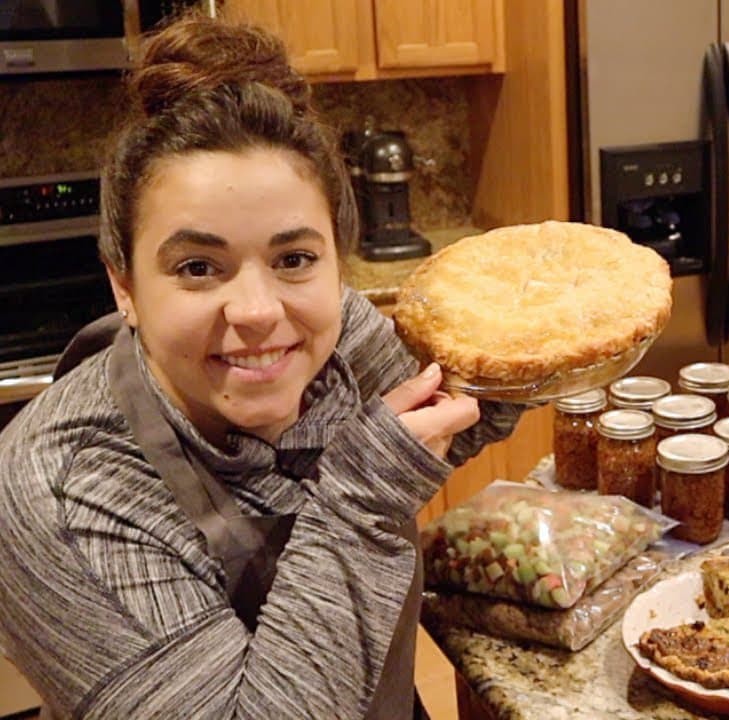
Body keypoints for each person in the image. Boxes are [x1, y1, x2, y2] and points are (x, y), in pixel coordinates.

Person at [0, 12, 525, 719]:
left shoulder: (343, 336)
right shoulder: (57, 490)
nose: (256, 310)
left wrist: (530, 354)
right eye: (197, 266)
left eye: (294, 259)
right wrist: (364, 496)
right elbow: (377, 483)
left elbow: (436, 425)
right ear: (124, 285)